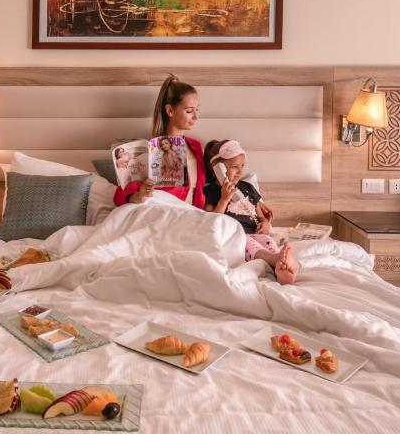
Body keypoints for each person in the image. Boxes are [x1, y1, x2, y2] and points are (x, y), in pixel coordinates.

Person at [203, 139, 298, 285]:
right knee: (249, 244)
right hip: (238, 237)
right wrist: (224, 199)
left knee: (268, 242)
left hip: (257, 234)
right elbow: (211, 221)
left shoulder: (247, 187)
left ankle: (283, 266)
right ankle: (276, 261)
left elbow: (260, 216)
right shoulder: (212, 191)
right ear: (218, 169)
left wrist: (265, 223)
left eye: (242, 166)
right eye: (234, 167)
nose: (240, 172)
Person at [113, 74, 206, 209]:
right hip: (165, 212)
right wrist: (140, 195)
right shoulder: (151, 150)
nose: (196, 116)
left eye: (197, 110)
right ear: (170, 110)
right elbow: (119, 197)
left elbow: (202, 190)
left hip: (194, 214)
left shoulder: (195, 147)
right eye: (189, 111)